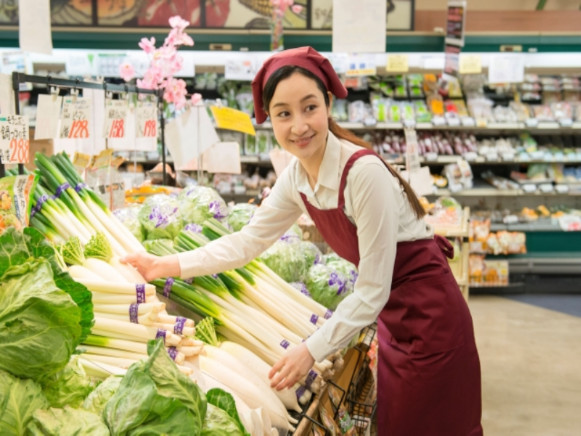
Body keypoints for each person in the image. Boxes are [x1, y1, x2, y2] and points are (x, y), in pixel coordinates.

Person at [123, 46, 483, 435]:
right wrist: (167, 265)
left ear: (328, 103)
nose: (299, 125)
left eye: (309, 107)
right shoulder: (297, 177)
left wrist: (310, 351)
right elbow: (247, 242)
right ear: (270, 120)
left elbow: (373, 290)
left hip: (432, 319)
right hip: (394, 322)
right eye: (283, 114)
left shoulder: (362, 173)